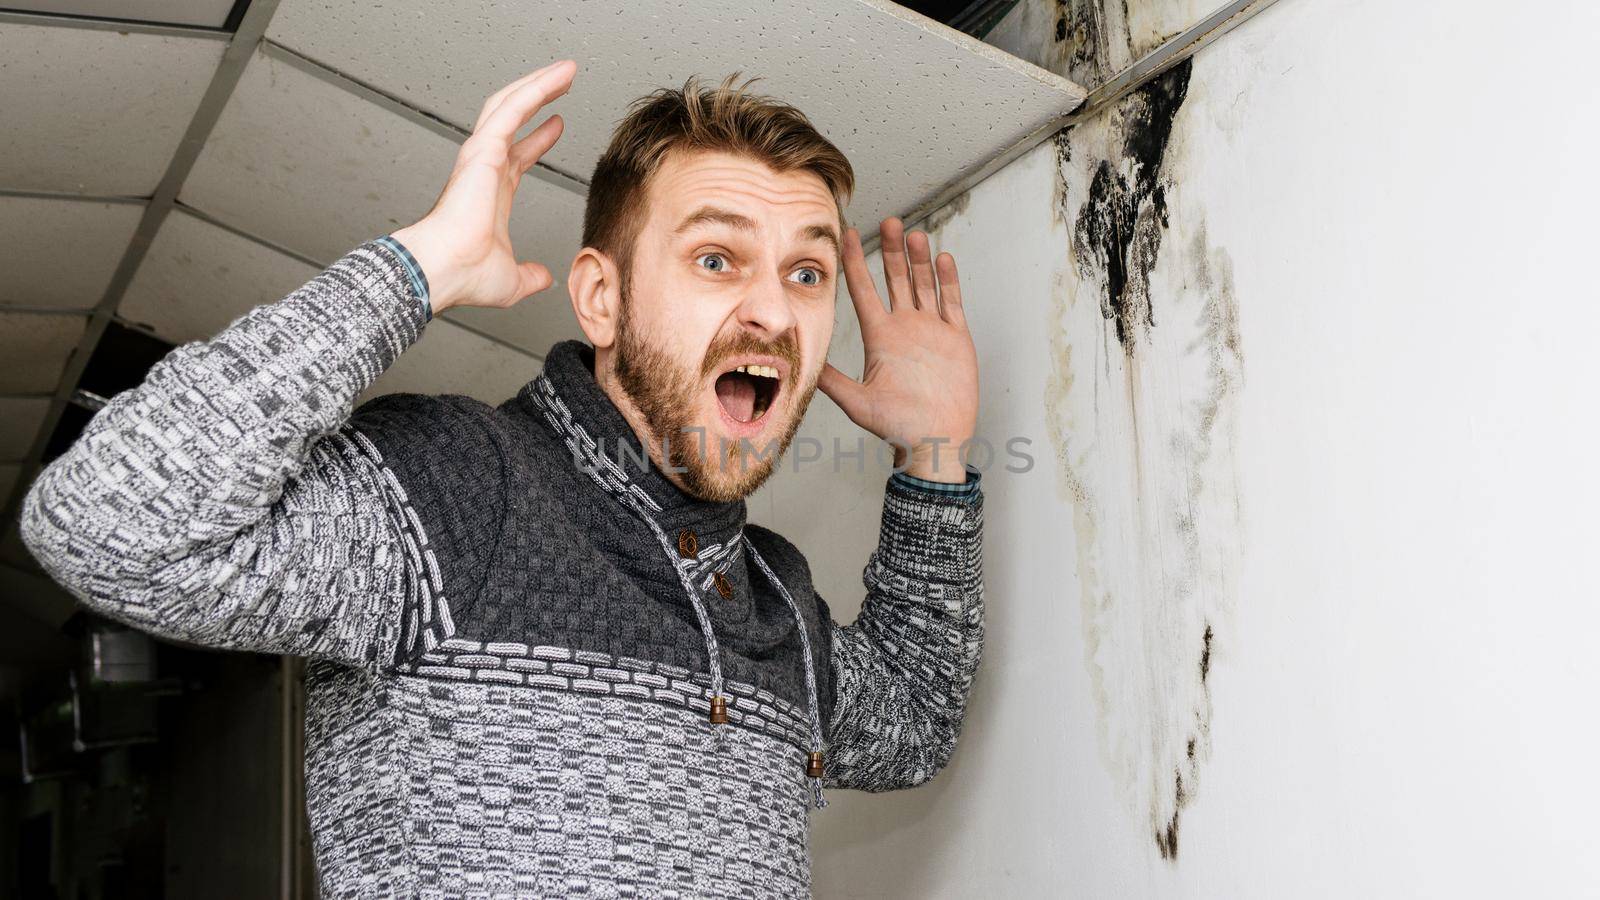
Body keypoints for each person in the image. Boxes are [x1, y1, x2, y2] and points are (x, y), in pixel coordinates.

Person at [22, 60, 984, 897]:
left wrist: (933, 455)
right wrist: (416, 271)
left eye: (807, 275)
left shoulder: (775, 594)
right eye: (717, 258)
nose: (772, 311)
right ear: (602, 299)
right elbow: (105, 524)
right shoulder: (455, 493)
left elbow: (913, 719)